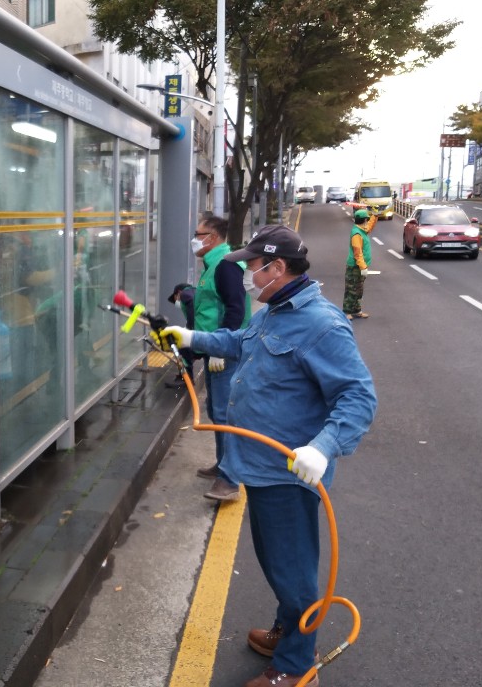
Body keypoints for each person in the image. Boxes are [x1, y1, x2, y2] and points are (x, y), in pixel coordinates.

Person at [154, 224, 377, 687]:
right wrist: (192, 338)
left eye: (253, 267)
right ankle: (288, 631)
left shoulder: (322, 324)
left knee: (292, 570)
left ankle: (297, 666)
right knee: (278, 561)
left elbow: (358, 397)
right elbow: (239, 343)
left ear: (277, 268)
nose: (248, 275)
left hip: (288, 473)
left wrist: (322, 448)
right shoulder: (273, 311)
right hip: (257, 465)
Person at [191, 214, 250, 502]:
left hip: (224, 353)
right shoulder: (214, 264)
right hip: (214, 350)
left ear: (211, 238)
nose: (195, 238)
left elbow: (235, 309)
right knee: (217, 412)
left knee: (226, 415)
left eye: (197, 233)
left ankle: (229, 480)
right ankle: (221, 466)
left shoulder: (225, 266)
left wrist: (220, 347)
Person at [342, 208, 377, 320]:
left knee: (359, 289)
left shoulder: (361, 229)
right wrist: (363, 267)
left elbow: (370, 227)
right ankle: (346, 312)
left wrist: (375, 216)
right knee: (351, 289)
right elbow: (358, 253)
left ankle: (357, 310)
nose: (368, 222)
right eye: (367, 219)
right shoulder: (357, 234)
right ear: (364, 220)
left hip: (360, 266)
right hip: (354, 267)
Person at [165, 282, 195, 387]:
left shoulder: (185, 294)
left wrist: (190, 328)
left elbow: (191, 304)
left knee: (180, 344)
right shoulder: (195, 291)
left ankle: (186, 379)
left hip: (200, 331)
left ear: (178, 293)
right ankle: (185, 376)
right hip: (206, 330)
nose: (177, 301)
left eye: (175, 298)